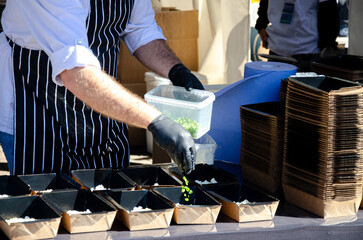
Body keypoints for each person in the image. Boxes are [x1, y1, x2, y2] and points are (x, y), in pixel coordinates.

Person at [0, 0, 204, 176]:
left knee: (112, 202)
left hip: (102, 109)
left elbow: (140, 29)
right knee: (49, 208)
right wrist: (156, 121)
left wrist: (177, 70)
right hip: (37, 108)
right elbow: (75, 71)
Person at [255, 0, 339, 57]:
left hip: (307, 50)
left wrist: (328, 44)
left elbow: (329, 12)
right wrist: (261, 26)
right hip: (278, 48)